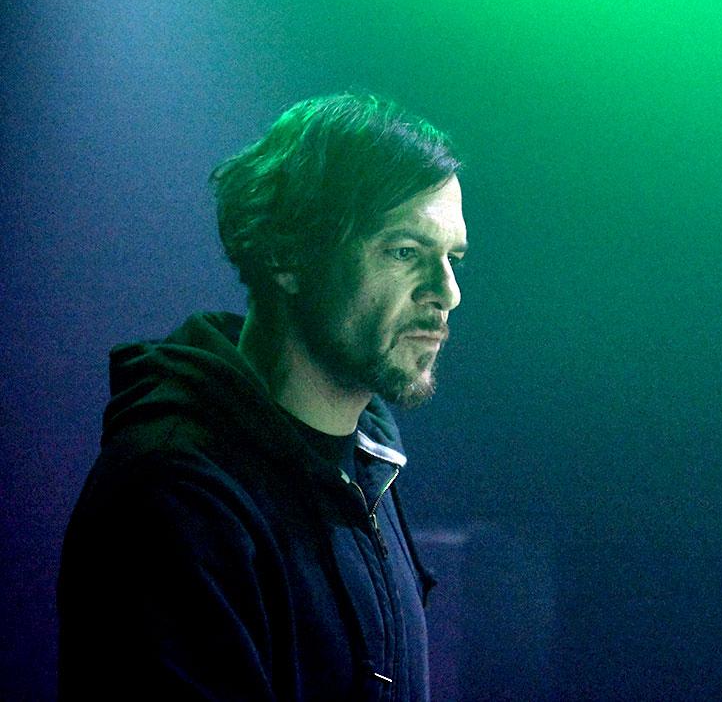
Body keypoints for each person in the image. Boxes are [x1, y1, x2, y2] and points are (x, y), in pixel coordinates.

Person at [58, 92, 467, 701]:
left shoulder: (369, 462)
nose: (447, 292)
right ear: (286, 252)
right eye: (405, 252)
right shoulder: (176, 497)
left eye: (452, 257)